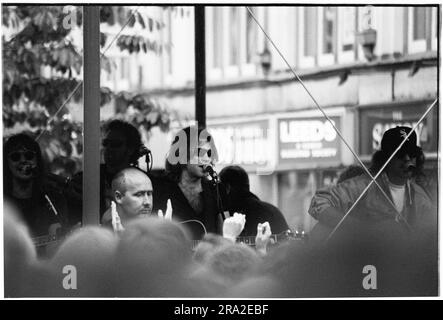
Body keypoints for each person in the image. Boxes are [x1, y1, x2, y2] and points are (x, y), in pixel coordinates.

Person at [308, 126, 436, 241]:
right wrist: (360, 229)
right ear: (386, 158)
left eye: (412, 154)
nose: (407, 159)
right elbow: (319, 202)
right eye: (400, 154)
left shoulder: (419, 196)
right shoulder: (364, 186)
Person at [66, 119, 148, 225]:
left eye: (115, 144)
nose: (108, 148)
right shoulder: (85, 179)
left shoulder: (144, 181)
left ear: (130, 149)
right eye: (106, 143)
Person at [153, 126, 228, 239]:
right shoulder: (161, 189)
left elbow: (225, 235)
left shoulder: (216, 189)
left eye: (209, 153)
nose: (206, 158)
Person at [3, 133, 68, 242]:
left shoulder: (53, 200)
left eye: (29, 156)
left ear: (37, 161)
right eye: (15, 157)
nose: (23, 160)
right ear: (6, 163)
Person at [219, 165, 289, 237]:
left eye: (219, 189)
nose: (218, 195)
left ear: (227, 188)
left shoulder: (237, 220)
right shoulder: (272, 211)